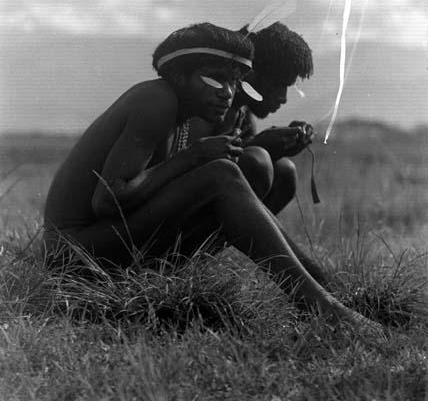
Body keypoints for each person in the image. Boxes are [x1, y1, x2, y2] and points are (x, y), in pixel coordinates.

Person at [43, 22, 379, 329]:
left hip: (103, 248)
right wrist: (194, 157)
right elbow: (108, 199)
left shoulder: (179, 109)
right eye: (215, 78)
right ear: (178, 76)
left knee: (224, 174)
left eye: (234, 82)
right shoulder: (156, 100)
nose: (228, 92)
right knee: (220, 175)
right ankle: (320, 304)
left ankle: (320, 287)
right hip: (74, 256)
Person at [187, 22, 323, 282]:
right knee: (258, 161)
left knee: (284, 170)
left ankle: (192, 264)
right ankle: (312, 283)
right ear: (249, 74)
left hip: (186, 232)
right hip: (156, 233)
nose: (283, 98)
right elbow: (189, 171)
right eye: (278, 84)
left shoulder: (240, 115)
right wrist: (259, 146)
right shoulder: (207, 109)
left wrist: (277, 144)